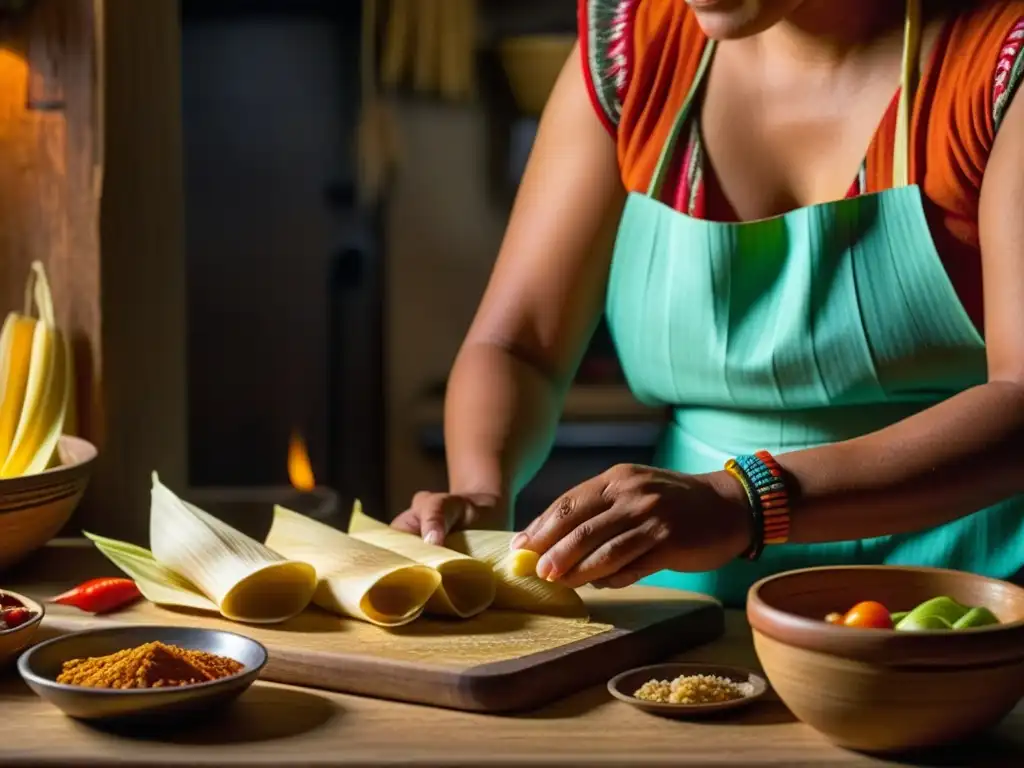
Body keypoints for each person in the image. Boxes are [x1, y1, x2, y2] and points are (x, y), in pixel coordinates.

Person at [391, 0, 1024, 607]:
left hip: (972, 612)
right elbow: (519, 344)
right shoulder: (631, 47)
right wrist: (481, 488)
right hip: (679, 615)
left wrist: (742, 501)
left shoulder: (1001, 60)